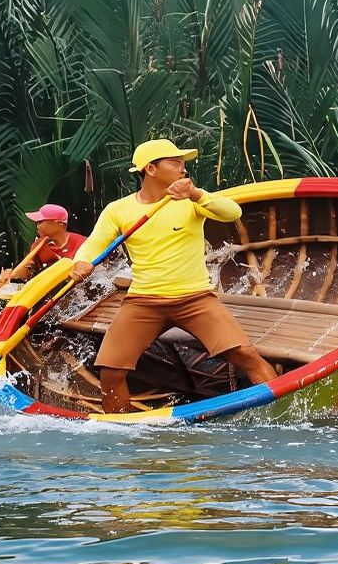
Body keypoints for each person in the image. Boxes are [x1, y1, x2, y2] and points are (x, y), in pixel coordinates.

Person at [71, 138, 276, 413]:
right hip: (144, 300)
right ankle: (121, 432)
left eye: (183, 163)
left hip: (195, 297)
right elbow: (94, 243)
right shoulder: (119, 209)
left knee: (244, 354)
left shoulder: (192, 200)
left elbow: (232, 212)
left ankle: (277, 408)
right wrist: (81, 261)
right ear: (151, 170)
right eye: (175, 162)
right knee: (111, 370)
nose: (183, 168)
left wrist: (197, 194)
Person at [0, 204, 87, 283]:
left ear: (59, 224)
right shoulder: (38, 245)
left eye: (40, 222)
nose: (37, 226)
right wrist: (9, 276)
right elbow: (28, 272)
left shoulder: (82, 242)